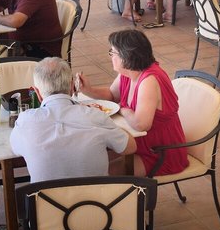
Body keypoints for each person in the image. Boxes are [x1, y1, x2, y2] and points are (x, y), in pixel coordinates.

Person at [10, 57, 136, 230]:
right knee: (101, 190)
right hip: (101, 217)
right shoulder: (95, 116)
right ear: (71, 86)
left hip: (49, 224)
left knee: (42, 199)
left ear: (37, 92)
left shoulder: (26, 121)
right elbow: (130, 147)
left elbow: (15, 150)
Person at [77, 29, 188, 177]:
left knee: (100, 175)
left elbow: (141, 124)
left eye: (113, 52)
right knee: (88, 163)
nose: (111, 56)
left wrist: (123, 109)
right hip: (136, 142)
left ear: (126, 56)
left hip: (159, 151)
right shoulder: (128, 73)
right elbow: (112, 95)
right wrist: (88, 90)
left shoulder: (149, 81)